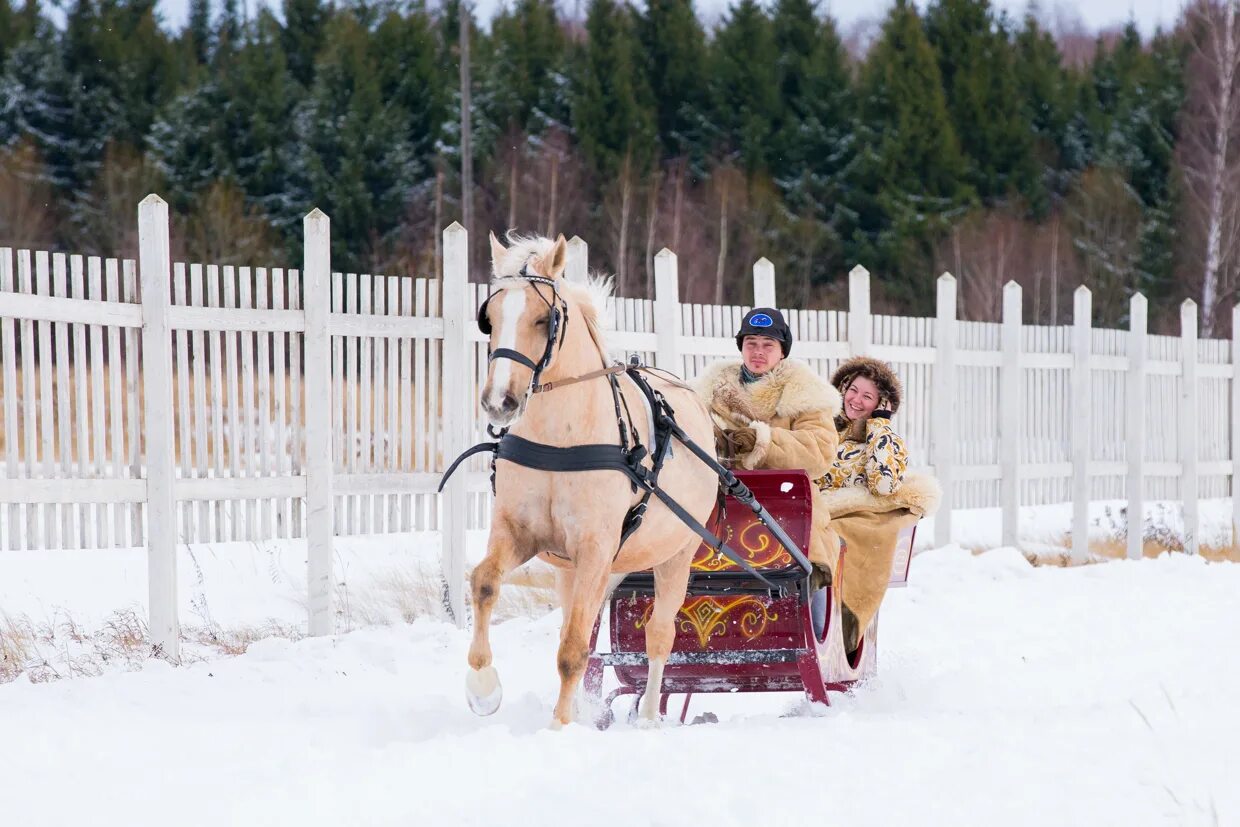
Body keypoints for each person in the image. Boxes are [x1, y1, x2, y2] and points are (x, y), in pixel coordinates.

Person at [694, 307, 843, 581]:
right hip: (717, 502)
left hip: (786, 506)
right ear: (741, 348)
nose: (758, 351)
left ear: (782, 351)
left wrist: (763, 441)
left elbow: (819, 451)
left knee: (807, 572)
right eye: (751, 343)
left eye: (768, 345)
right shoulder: (709, 391)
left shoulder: (804, 392)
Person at [815, 356, 940, 657]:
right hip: (810, 514)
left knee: (825, 545)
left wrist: (879, 426)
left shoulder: (887, 441)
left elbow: (883, 486)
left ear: (881, 404)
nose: (856, 400)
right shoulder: (818, 431)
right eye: (853, 390)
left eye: (868, 397)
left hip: (846, 521)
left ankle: (821, 622)